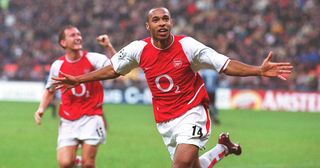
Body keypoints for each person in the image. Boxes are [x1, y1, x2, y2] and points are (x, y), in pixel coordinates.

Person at [53, 8, 293, 168]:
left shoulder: (188, 46)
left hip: (192, 111)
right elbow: (114, 69)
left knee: (179, 166)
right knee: (192, 166)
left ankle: (219, 147)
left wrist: (258, 70)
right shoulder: (139, 49)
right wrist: (79, 79)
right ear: (148, 26)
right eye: (156, 20)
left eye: (165, 19)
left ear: (171, 23)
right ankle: (223, 148)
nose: (162, 23)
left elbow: (225, 65)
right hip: (165, 120)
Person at [34, 25, 116, 168]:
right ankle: (76, 161)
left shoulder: (93, 58)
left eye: (79, 34)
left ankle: (83, 162)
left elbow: (117, 68)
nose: (78, 37)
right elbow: (50, 89)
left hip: (92, 117)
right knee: (65, 163)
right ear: (63, 43)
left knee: (88, 164)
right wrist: (41, 108)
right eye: (72, 35)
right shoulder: (57, 66)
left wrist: (108, 46)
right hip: (68, 120)